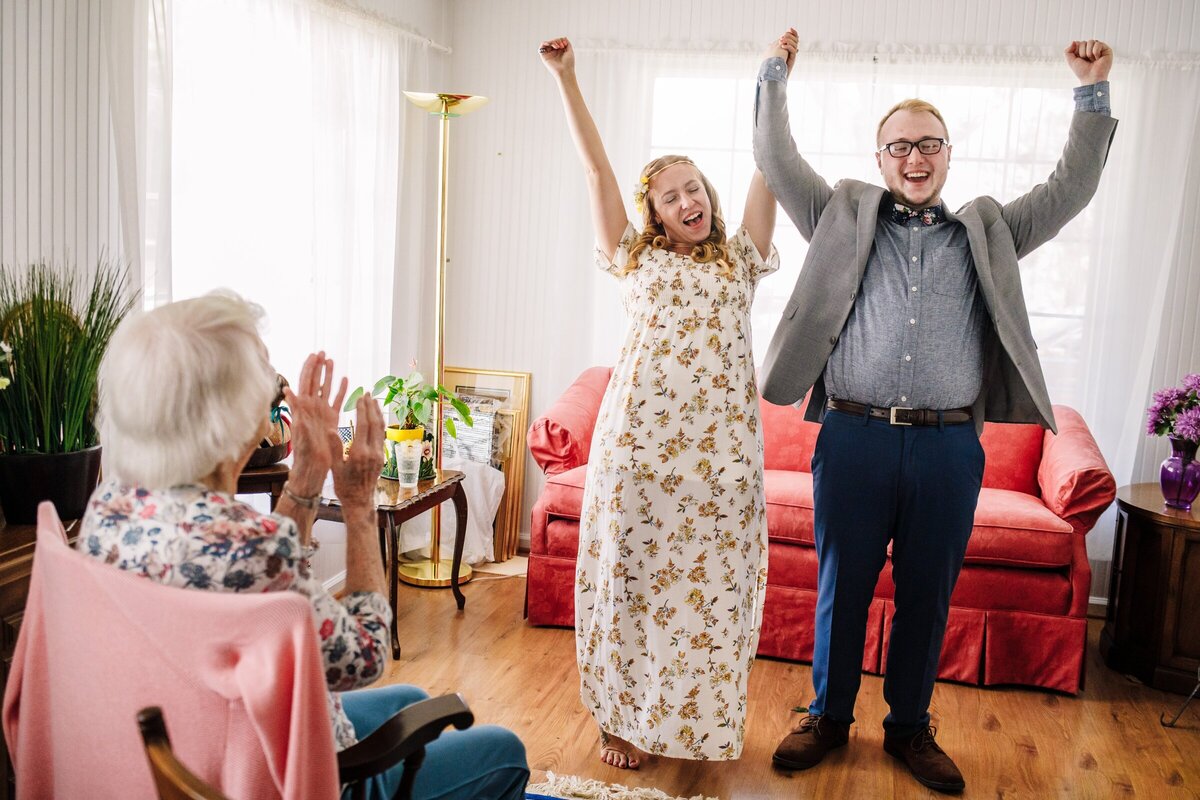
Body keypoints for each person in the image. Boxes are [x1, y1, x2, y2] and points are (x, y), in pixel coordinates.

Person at [753, 29, 1116, 793]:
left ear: (947, 153)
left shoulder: (987, 230)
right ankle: (827, 715)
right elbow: (778, 159)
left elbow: (1069, 190)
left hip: (950, 450)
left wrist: (1090, 92)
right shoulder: (839, 215)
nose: (914, 158)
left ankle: (910, 730)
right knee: (842, 588)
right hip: (852, 438)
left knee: (927, 592)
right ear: (880, 158)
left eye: (929, 144)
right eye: (899, 147)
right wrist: (775, 75)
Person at [79, 292, 529, 800]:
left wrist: (310, 473)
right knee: (504, 750)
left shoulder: (108, 512)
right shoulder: (251, 550)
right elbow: (365, 656)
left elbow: (260, 582)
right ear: (226, 418)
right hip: (293, 776)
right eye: (269, 387)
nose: (278, 397)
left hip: (203, 734)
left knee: (410, 697)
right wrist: (359, 505)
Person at [538, 37, 780, 770]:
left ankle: (699, 727)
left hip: (723, 462)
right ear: (653, 211)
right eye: (671, 194)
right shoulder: (632, 258)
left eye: (695, 187)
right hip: (638, 455)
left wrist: (776, 81)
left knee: (712, 594)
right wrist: (567, 78)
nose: (688, 200)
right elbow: (595, 168)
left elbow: (772, 167)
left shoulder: (742, 260)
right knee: (631, 588)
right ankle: (621, 720)